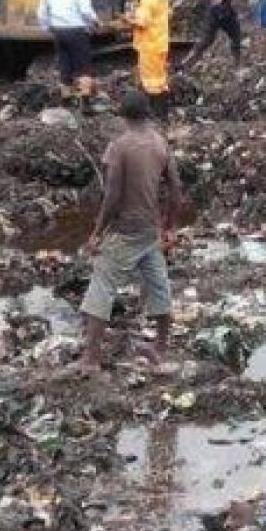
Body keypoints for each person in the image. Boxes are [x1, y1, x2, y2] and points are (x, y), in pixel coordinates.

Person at [78, 90, 183, 371]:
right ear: (147, 114)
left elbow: (112, 196)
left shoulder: (119, 147)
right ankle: (160, 347)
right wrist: (171, 226)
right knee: (158, 283)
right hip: (150, 229)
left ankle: (90, 359)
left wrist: (97, 231)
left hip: (125, 231)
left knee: (102, 284)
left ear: (123, 117)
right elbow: (175, 189)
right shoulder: (160, 143)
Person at [37, 0, 98, 109]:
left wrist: (47, 27)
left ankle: (66, 99)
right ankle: (86, 102)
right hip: (76, 30)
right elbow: (85, 11)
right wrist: (94, 22)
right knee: (84, 66)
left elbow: (41, 13)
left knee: (64, 63)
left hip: (58, 31)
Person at [126, 0, 170, 119]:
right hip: (160, 42)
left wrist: (128, 20)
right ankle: (163, 113)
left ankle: (157, 114)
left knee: (151, 82)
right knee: (160, 79)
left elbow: (141, 23)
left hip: (149, 45)